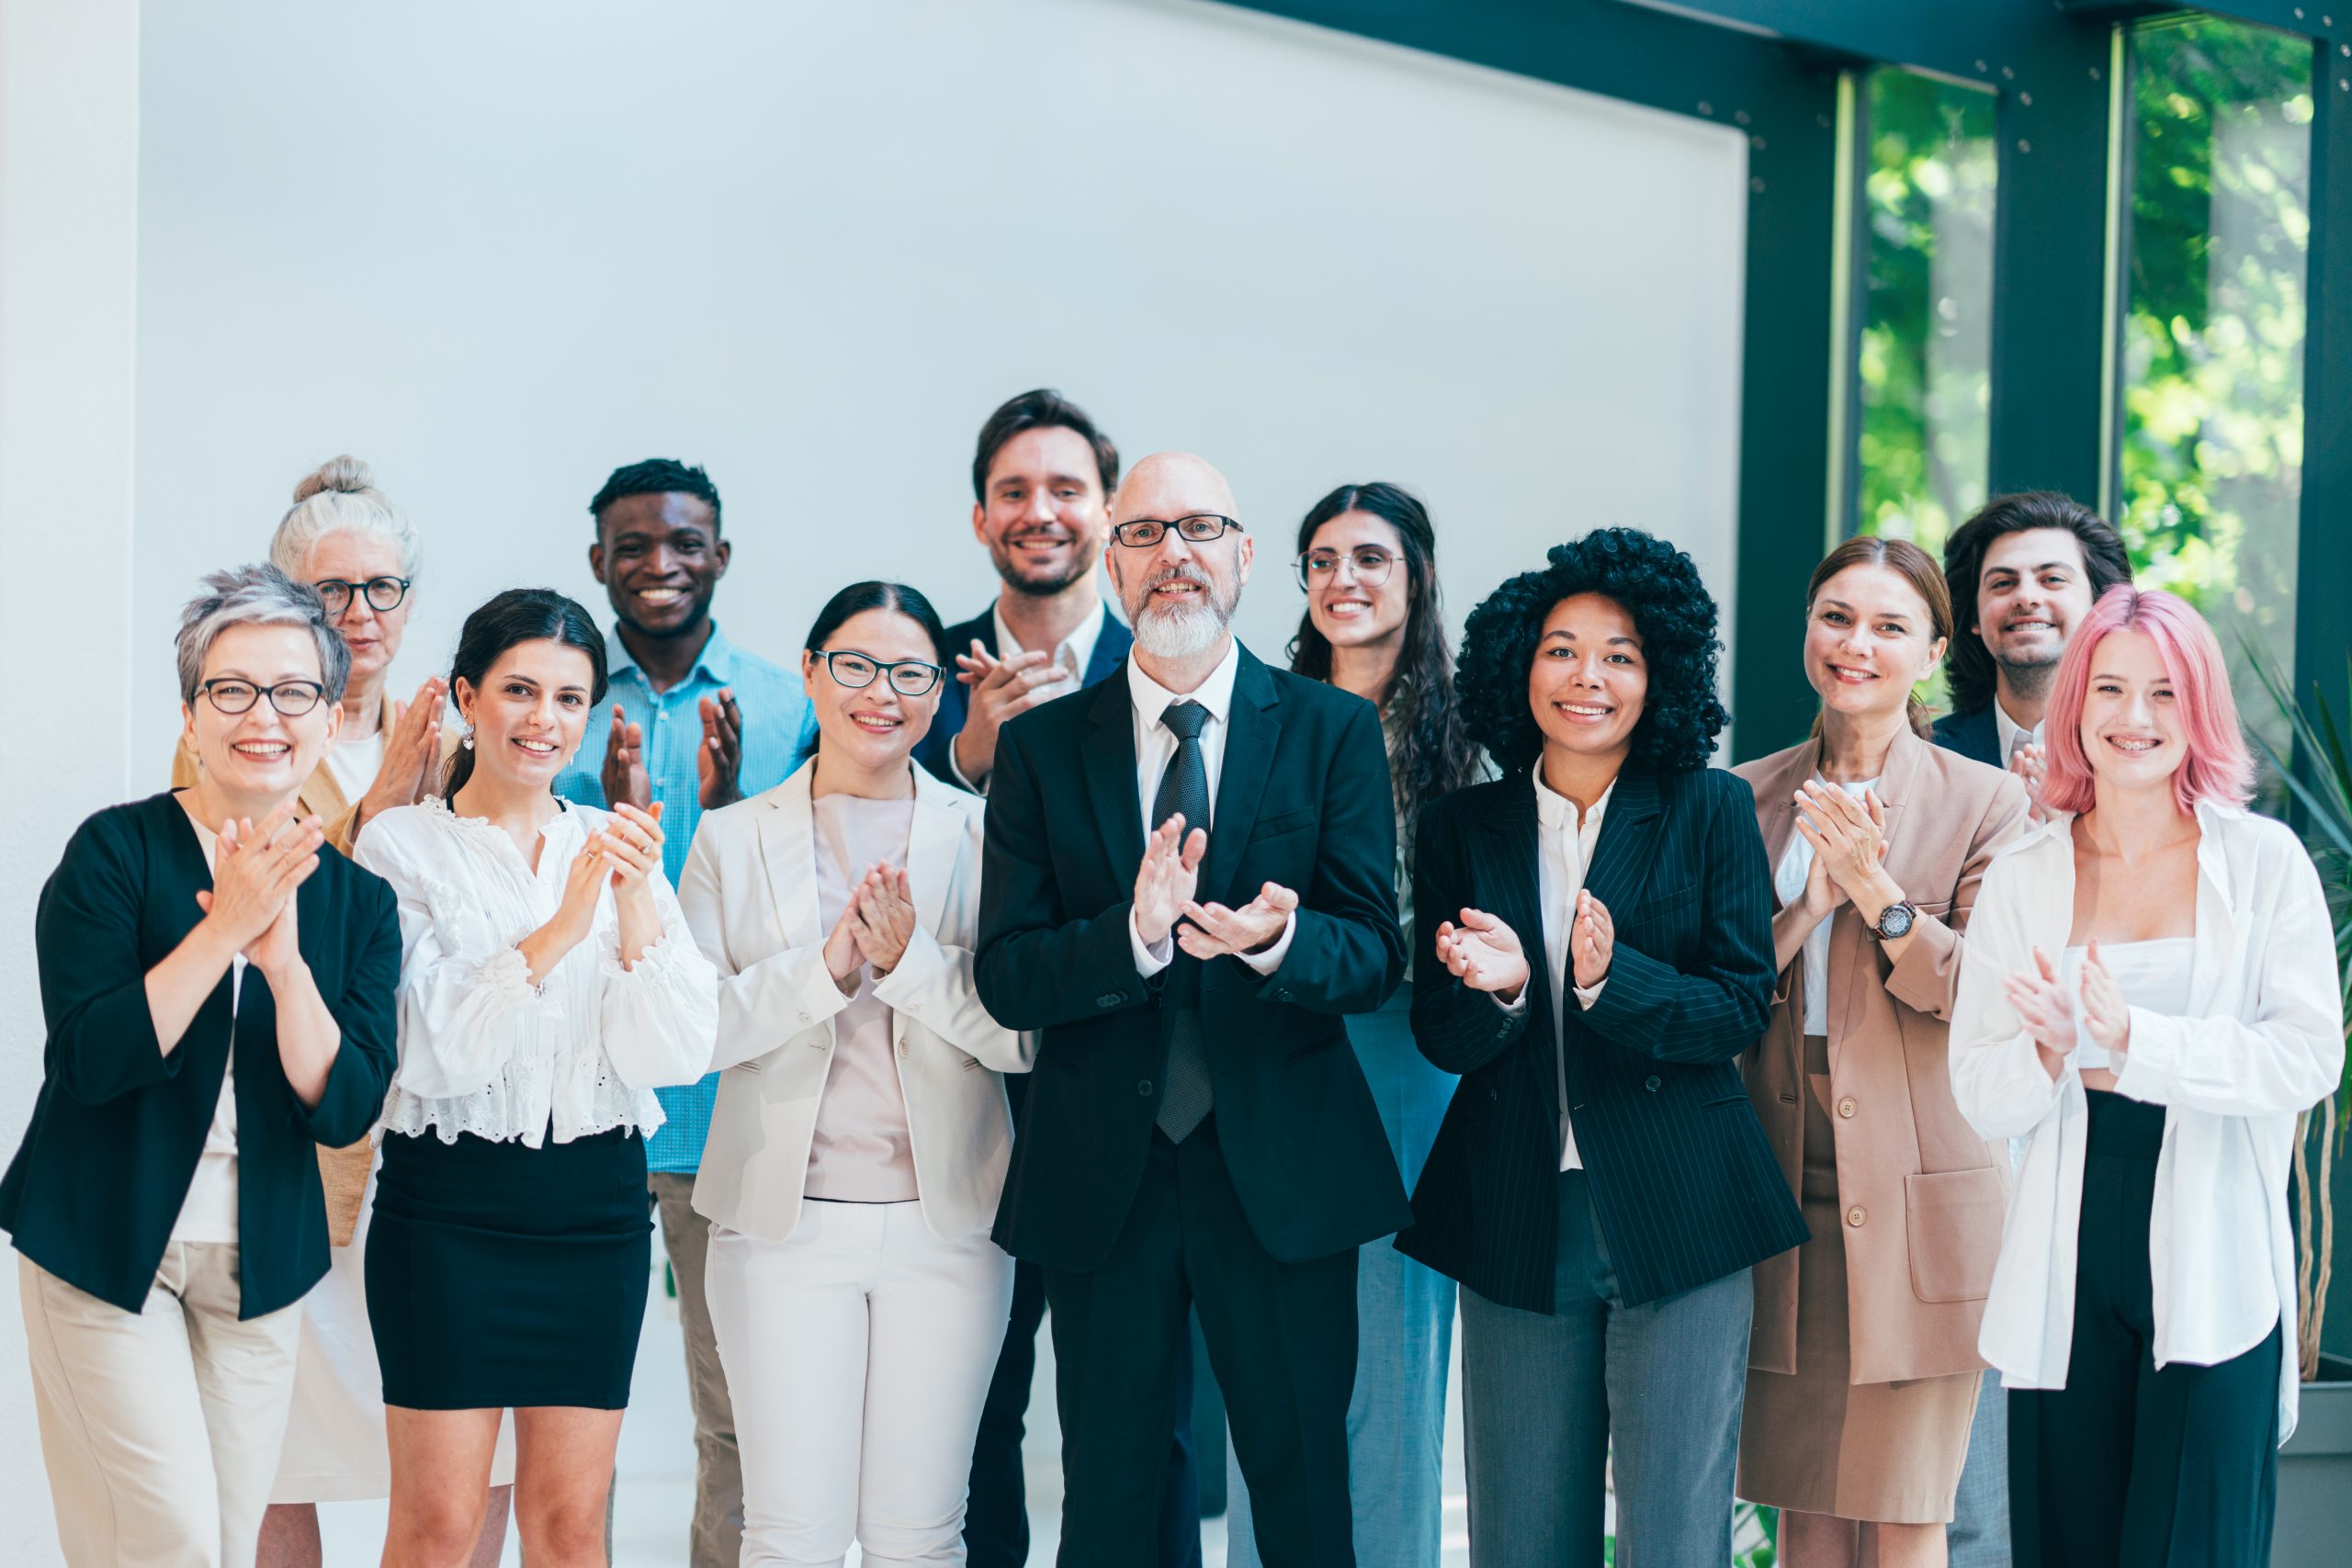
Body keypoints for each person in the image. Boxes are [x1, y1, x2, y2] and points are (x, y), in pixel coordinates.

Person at [975, 452, 1409, 1566]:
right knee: (1110, 1496)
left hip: (1282, 1168)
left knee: (1303, 1482)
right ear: (1110, 562)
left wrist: (1279, 942)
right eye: (1145, 533)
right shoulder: (1037, 750)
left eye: (1201, 529)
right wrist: (1131, 936)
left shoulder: (1328, 731)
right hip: (1101, 1174)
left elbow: (1368, 954)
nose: (1175, 554)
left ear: (1244, 557)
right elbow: (1009, 974)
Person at [1398, 529, 1804, 1567]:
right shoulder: (1461, 829)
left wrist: (1603, 981)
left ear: (1656, 675)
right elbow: (1440, 1035)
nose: (1589, 677)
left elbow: (1736, 1007)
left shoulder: (1709, 809)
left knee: (1674, 1536)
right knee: (1523, 1536)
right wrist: (1511, 991)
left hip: (1681, 1216)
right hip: (1518, 1217)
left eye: (1619, 654)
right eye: (1562, 648)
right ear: (1517, 665)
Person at [4, 563, 400, 1568]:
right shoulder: (114, 852)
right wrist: (223, 929)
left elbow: (346, 1107)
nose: (262, 714)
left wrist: (284, 960)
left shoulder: (357, 901)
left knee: (227, 1546)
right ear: (190, 714)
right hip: (106, 1249)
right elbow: (90, 1061)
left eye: (293, 691)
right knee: (164, 1541)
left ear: (325, 715)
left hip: (259, 1263)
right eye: (231, 689)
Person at [1950, 586, 2341, 1568]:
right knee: (2065, 1544)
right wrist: (2046, 1054)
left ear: (2200, 709)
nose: (2134, 718)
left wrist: (2140, 1042)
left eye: (2165, 693)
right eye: (2111, 689)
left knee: (2196, 1546)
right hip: (2065, 1244)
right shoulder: (2022, 876)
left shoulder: (2261, 863)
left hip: (2214, 1246)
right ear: (2074, 705)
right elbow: (1980, 1091)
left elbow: (2307, 1056)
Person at [169, 459, 511, 1568]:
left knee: (470, 1447)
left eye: (383, 589)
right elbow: (263, 918)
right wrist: (379, 806)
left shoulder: (463, 734)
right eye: (331, 592)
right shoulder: (234, 736)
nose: (360, 615)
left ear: (412, 601)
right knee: (283, 1446)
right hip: (303, 1138)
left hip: (442, 1132)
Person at [356, 588, 718, 1568]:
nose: (543, 720)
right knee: (437, 1530)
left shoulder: (614, 842)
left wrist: (636, 904)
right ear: (467, 698)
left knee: (567, 1528)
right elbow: (429, 1049)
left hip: (593, 1213)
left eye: (569, 697)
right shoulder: (399, 846)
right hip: (447, 1215)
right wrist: (563, 927)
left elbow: (675, 1056)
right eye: (518, 689)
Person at [680, 580, 1032, 1565]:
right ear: (810, 671)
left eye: (912, 672)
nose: (882, 692)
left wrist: (912, 964)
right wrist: (827, 970)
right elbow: (693, 1031)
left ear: (940, 693)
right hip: (778, 1229)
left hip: (950, 1228)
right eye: (857, 665)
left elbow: (1022, 1038)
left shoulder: (980, 834)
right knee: (791, 1531)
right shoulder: (730, 837)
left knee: (920, 1535)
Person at [919, 390, 1192, 1568]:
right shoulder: (910, 666)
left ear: (1112, 512)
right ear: (980, 516)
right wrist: (965, 763)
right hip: (957, 1085)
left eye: (1067, 489)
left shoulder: (1181, 662)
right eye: (1016, 491)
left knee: (1135, 1415)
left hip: (1123, 1092)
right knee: (968, 1406)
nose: (1042, 513)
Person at [1732, 536, 2030, 1568]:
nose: (1856, 644)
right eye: (1836, 617)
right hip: (1775, 1165)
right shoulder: (1744, 795)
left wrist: (1874, 892)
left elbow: (1987, 997)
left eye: (1889, 627)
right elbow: (1715, 988)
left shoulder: (1986, 801)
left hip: (1920, 1178)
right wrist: (1802, 908)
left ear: (1936, 651)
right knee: (1805, 1505)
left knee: (1906, 1512)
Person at [554, 457, 811, 1568]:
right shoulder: (557, 702)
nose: (661, 566)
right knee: (574, 1424)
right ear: (598, 562)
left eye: (685, 543)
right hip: (590, 1103)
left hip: (726, 1105)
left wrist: (734, 813)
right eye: (634, 546)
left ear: (722, 554)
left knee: (737, 1413)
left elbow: (802, 907)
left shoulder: (787, 701)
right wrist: (591, 819)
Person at [1224, 483, 1486, 1568]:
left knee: (1391, 1363)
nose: (1344, 579)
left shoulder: (1471, 732)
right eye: (1321, 560)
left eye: (1369, 558)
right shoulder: (1259, 713)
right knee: (1270, 1365)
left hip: (1405, 1058)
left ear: (1414, 576)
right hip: (1279, 1047)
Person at [1932, 490, 2129, 1566]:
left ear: (2101, 599)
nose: (2026, 600)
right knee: (1978, 1426)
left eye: (2052, 577)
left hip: (2119, 1120)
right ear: (1969, 618)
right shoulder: (1928, 752)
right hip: (1970, 1118)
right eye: (2000, 582)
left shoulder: (2148, 753)